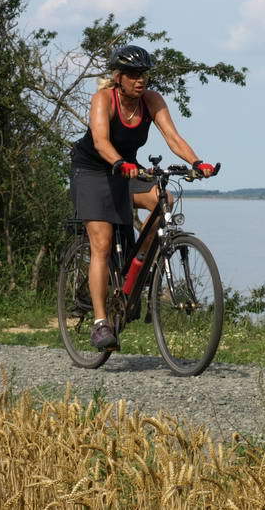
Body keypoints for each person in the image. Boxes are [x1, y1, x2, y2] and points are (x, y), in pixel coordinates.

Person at [69, 44, 217, 350]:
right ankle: (100, 324)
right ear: (118, 77)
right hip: (93, 170)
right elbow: (100, 141)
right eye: (133, 75)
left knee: (163, 201)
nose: (140, 80)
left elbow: (173, 138)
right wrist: (120, 163)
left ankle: (138, 265)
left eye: (144, 74)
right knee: (102, 243)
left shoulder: (151, 100)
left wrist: (197, 162)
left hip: (127, 170)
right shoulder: (103, 99)